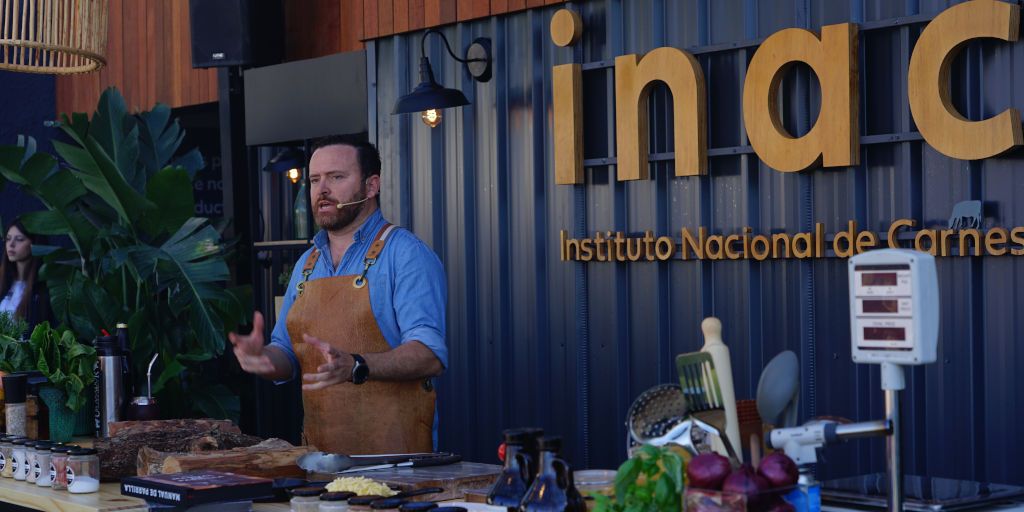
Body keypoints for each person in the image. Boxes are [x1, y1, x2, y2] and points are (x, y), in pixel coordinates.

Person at [229, 135, 447, 454]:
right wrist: (262, 359)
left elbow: (430, 354)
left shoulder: (406, 254)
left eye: (336, 177)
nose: (322, 190)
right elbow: (286, 355)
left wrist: (356, 365)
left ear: (372, 186)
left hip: (398, 461)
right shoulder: (307, 264)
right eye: (315, 179)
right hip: (321, 459)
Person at [0, 218, 51, 337]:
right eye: (8, 239)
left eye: (19, 239)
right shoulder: (4, 282)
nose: (11, 244)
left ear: (34, 244)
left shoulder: (43, 288)